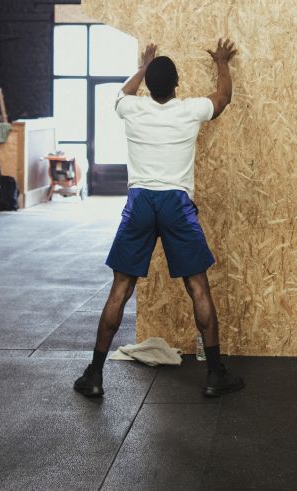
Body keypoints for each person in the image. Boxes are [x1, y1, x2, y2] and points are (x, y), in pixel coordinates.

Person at [73, 39, 246, 400]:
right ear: (178, 83)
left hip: (140, 204)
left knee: (121, 288)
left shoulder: (132, 107)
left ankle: (94, 374)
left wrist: (143, 65)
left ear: (149, 85)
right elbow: (224, 97)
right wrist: (221, 62)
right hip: (176, 205)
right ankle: (214, 372)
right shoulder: (189, 109)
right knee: (198, 286)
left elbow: (123, 92)